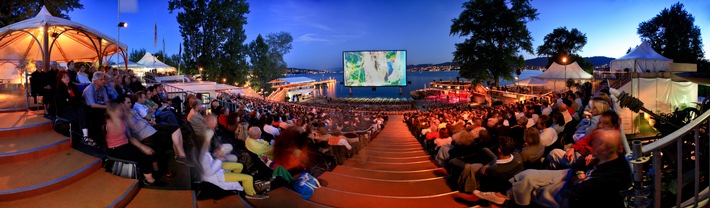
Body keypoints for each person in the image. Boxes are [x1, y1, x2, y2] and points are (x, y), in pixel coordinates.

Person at [474, 129, 631, 207]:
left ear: (603, 148)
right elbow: (578, 166)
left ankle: (507, 199)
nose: (591, 146)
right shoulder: (602, 158)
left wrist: (580, 176)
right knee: (527, 174)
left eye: (595, 144)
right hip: (571, 176)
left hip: (573, 193)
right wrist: (581, 171)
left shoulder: (614, 172)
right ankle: (504, 196)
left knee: (534, 188)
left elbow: (576, 191)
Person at [199, 115, 268, 199]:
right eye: (214, 123)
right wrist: (219, 157)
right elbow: (209, 171)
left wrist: (219, 152)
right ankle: (250, 194)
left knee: (240, 165)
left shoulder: (208, 140)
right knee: (248, 178)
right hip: (216, 173)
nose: (216, 124)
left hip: (216, 165)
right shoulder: (203, 150)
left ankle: (237, 179)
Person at [121, 95, 193, 167]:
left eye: (130, 102)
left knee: (175, 127)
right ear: (122, 104)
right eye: (128, 102)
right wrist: (141, 146)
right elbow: (130, 135)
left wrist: (149, 122)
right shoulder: (123, 117)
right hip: (146, 134)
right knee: (173, 130)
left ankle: (180, 155)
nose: (130, 104)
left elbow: (143, 119)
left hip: (150, 126)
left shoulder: (132, 110)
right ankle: (180, 156)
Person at [104, 101, 162, 186]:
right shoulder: (110, 122)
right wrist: (123, 114)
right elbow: (118, 129)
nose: (121, 110)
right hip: (115, 149)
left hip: (125, 145)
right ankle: (150, 180)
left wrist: (142, 147)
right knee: (143, 157)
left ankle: (155, 171)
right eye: (118, 109)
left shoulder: (121, 119)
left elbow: (130, 136)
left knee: (150, 150)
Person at [54, 70, 93, 146]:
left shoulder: (73, 86)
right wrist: (73, 100)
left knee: (86, 111)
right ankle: (85, 136)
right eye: (64, 77)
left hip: (76, 108)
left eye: (67, 76)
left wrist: (71, 100)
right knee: (82, 112)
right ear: (60, 79)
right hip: (65, 111)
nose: (66, 78)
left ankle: (87, 135)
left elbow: (79, 97)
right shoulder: (59, 89)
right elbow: (64, 102)